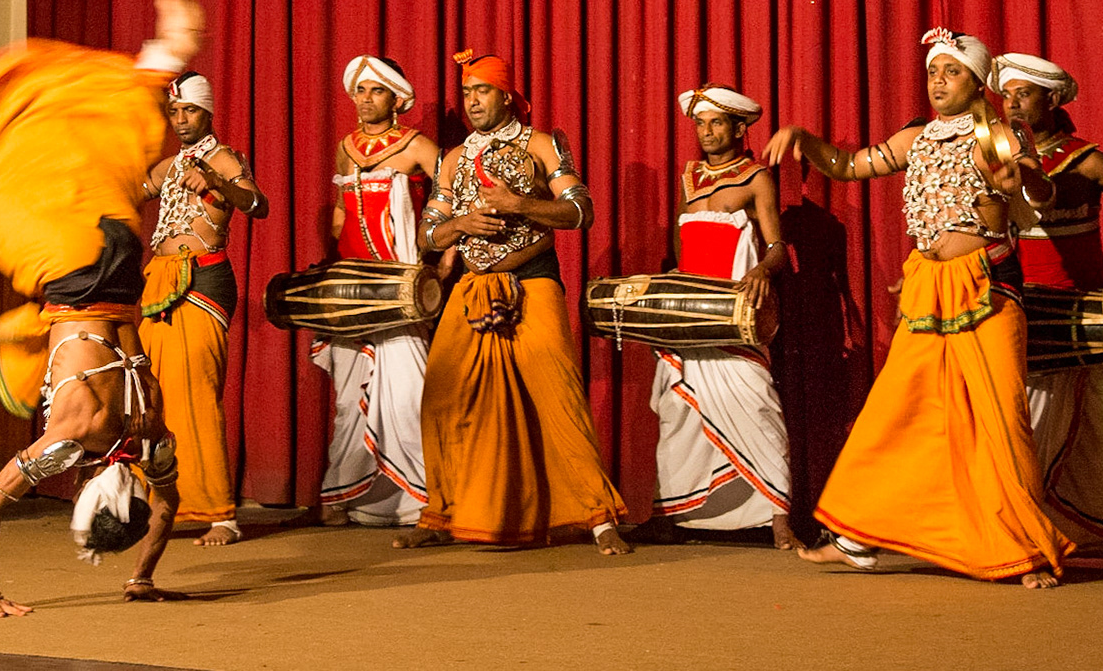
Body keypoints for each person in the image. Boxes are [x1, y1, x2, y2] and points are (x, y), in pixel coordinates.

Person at [0, 0, 205, 616]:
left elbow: (167, 503)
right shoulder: (72, 435)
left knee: (94, 162)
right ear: (86, 495)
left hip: (120, 259)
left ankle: (161, 59)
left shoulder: (151, 436)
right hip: (70, 265)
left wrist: (142, 576)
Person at [766, 27, 1072, 589]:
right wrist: (805, 139)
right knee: (895, 411)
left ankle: (1024, 549)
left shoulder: (1001, 133)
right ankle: (857, 539)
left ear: (978, 82)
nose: (938, 81)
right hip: (928, 288)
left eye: (952, 72)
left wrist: (1025, 179)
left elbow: (1041, 196)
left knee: (1001, 419)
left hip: (986, 287)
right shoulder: (916, 137)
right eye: (933, 71)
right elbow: (849, 165)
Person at [395, 49, 631, 554]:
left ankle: (598, 516)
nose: (472, 101)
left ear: (506, 96)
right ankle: (441, 512)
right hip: (471, 288)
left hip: (533, 280)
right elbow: (427, 234)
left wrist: (519, 204)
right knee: (442, 398)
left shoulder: (541, 144)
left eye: (482, 91)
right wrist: (460, 224)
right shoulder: (452, 159)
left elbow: (581, 211)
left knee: (559, 394)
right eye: (467, 93)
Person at [994, 52, 1103, 576]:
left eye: (1025, 93)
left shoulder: (1087, 159)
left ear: (1052, 99)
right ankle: (1023, 541)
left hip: (1087, 308)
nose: (1013, 103)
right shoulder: (996, 157)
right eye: (1008, 94)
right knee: (1029, 428)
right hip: (1026, 308)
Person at [636, 84, 798, 550]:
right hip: (688, 317)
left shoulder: (755, 178)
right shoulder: (688, 179)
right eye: (701, 124)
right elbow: (678, 246)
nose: (706, 132)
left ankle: (778, 518)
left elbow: (777, 247)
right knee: (678, 412)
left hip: (733, 314)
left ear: (739, 128)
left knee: (756, 406)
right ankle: (669, 515)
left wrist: (762, 270)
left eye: (717, 123)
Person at [140, 72, 268, 546]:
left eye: (190, 110)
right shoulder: (168, 166)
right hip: (159, 281)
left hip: (203, 281)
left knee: (195, 395)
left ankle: (220, 515)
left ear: (208, 112)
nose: (181, 120)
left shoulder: (224, 158)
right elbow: (129, 192)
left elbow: (258, 205)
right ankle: (155, 503)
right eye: (174, 112)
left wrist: (216, 181)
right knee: (149, 397)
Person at [313, 56, 443, 527]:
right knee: (349, 398)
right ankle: (343, 494)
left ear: (396, 98)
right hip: (353, 287)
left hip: (400, 286)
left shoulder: (418, 146)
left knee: (408, 392)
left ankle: (425, 498)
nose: (366, 99)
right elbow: (340, 213)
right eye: (361, 91)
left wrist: (443, 260)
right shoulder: (345, 149)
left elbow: (451, 199)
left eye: (377, 90)